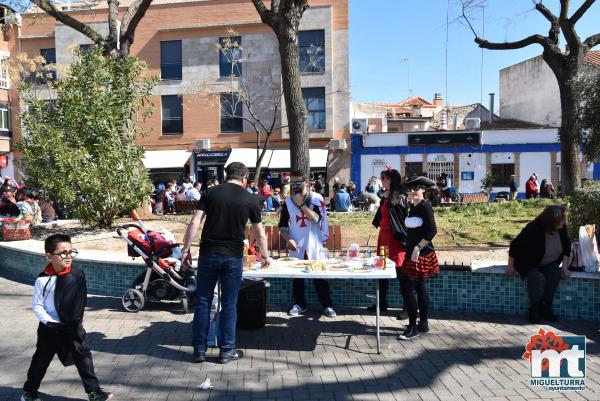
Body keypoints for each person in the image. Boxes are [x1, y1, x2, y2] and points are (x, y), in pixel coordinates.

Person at [181, 162, 271, 364]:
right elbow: (259, 233)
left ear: (226, 175)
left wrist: (186, 250)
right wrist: (264, 256)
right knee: (229, 303)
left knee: (203, 301)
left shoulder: (210, 193)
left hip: (208, 254)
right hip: (233, 256)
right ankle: (226, 351)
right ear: (244, 178)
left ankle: (199, 350)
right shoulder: (250, 199)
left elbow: (195, 222)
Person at [21, 234, 113, 401]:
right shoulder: (42, 280)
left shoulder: (77, 275)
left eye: (71, 252)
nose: (68, 256)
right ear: (49, 256)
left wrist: (75, 322)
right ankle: (29, 391)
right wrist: (50, 322)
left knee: (83, 357)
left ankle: (94, 392)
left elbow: (80, 300)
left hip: (71, 326)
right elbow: (37, 305)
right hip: (49, 328)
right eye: (63, 253)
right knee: (41, 360)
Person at [278, 170, 335, 317]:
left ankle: (327, 305)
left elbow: (317, 219)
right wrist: (287, 238)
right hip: (297, 243)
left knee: (319, 275)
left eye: (298, 182)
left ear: (307, 182)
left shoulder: (316, 199)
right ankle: (299, 304)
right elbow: (283, 225)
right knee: (297, 276)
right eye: (293, 182)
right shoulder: (288, 202)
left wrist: (302, 205)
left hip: (314, 243)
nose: (295, 185)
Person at [506, 205, 571, 323]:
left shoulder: (562, 228)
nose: (563, 222)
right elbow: (515, 246)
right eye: (561, 220)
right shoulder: (534, 228)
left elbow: (567, 247)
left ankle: (546, 306)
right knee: (533, 276)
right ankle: (535, 308)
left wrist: (565, 268)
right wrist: (510, 266)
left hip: (550, 262)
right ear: (551, 221)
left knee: (555, 273)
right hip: (530, 261)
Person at [398, 176, 439, 340]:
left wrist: (417, 247)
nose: (412, 191)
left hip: (420, 254)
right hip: (412, 253)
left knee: (407, 289)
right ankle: (423, 324)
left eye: (416, 188)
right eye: (409, 189)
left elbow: (432, 231)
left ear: (423, 190)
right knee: (420, 288)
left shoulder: (425, 208)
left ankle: (413, 327)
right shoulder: (413, 208)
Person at [367, 169, 408, 315]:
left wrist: (389, 199)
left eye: (384, 177)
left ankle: (407, 307)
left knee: (401, 272)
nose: (381, 179)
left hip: (395, 240)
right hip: (384, 239)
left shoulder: (400, 197)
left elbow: (403, 218)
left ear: (392, 179)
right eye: (381, 177)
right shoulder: (386, 196)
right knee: (381, 270)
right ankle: (381, 303)